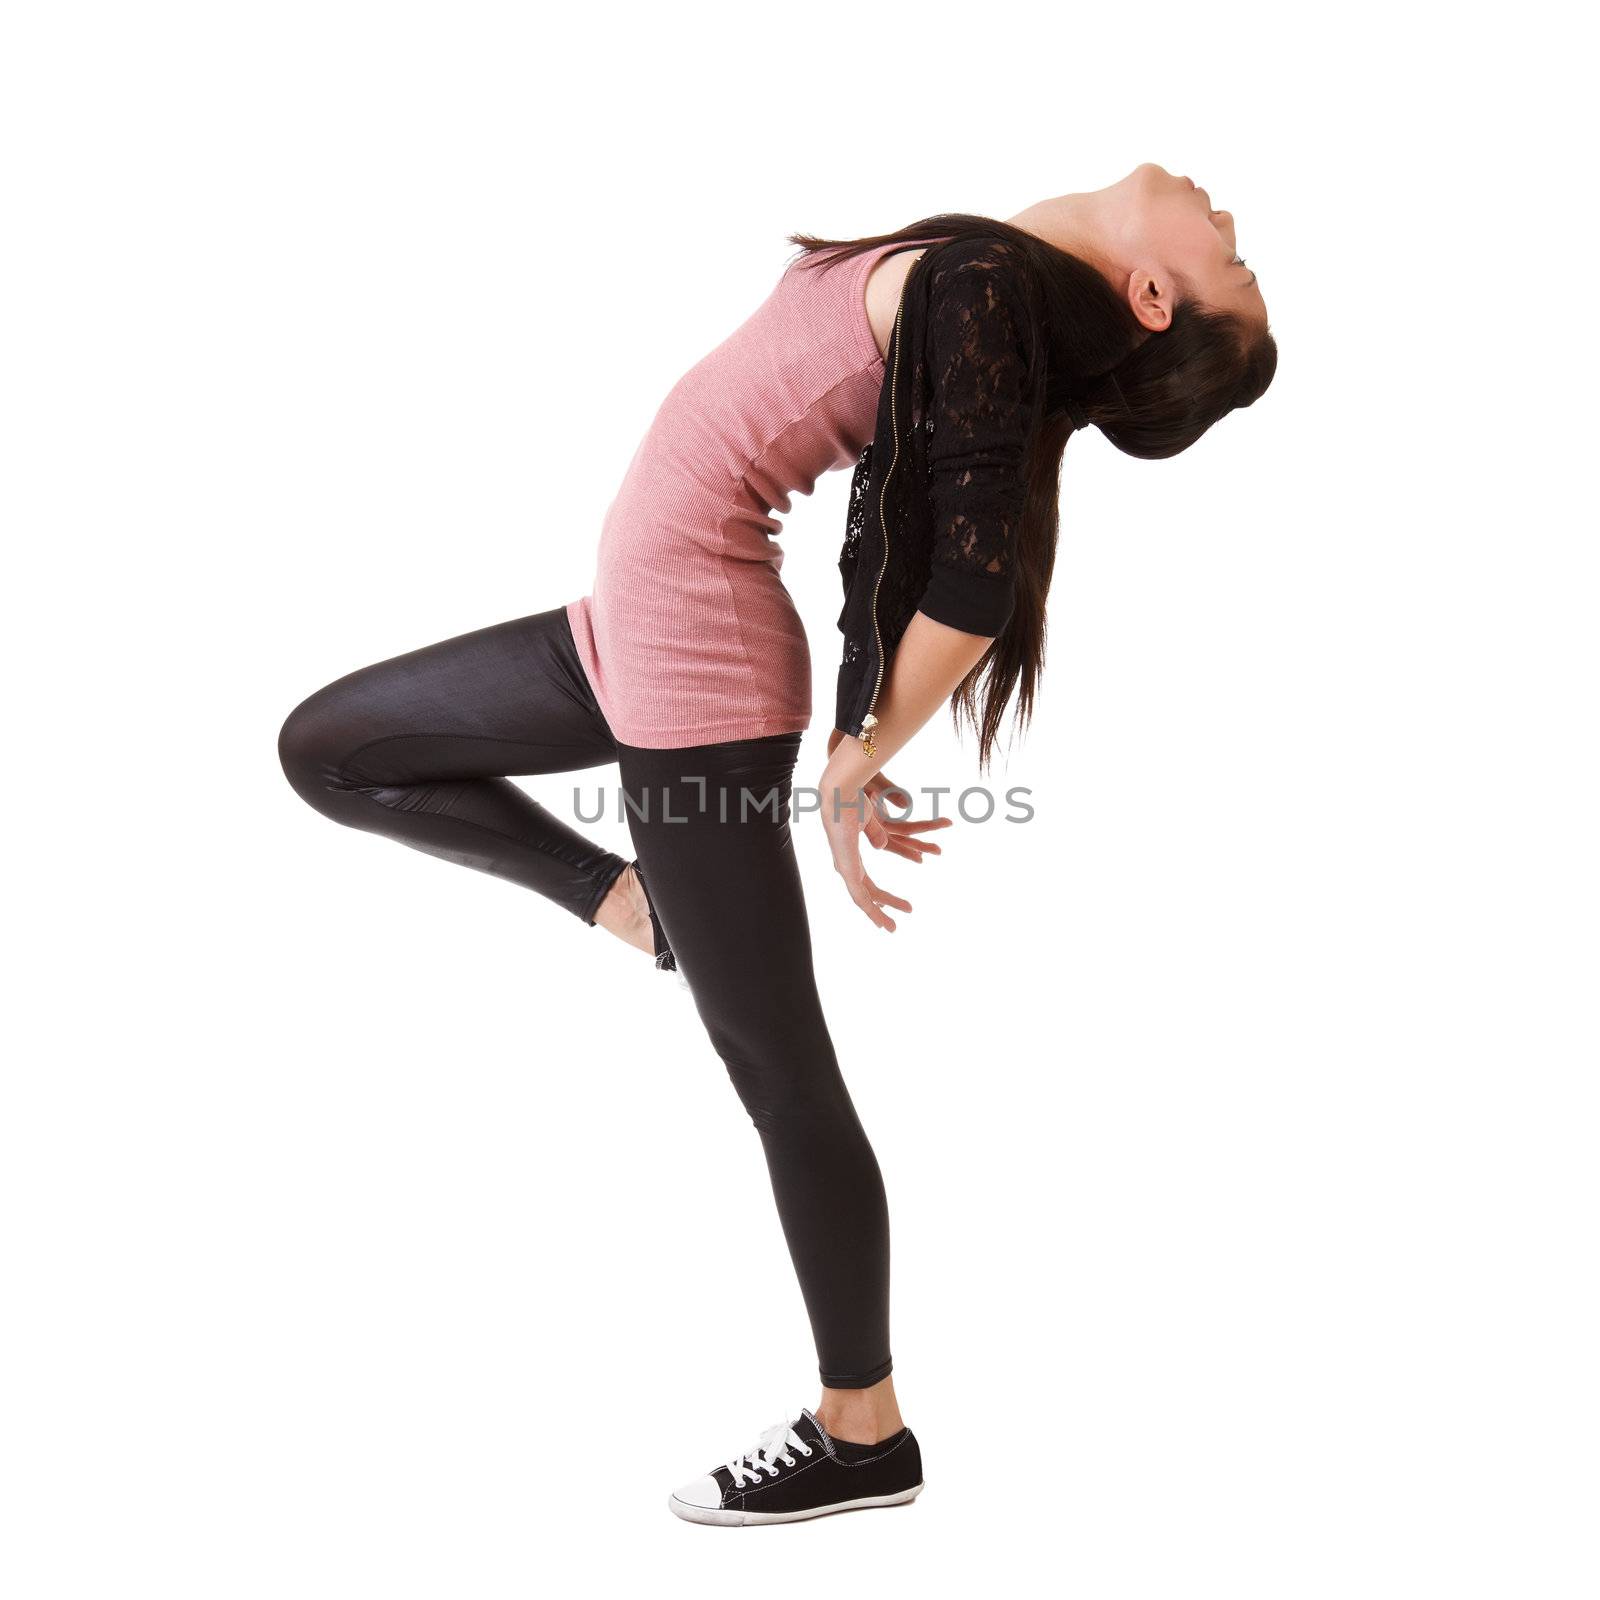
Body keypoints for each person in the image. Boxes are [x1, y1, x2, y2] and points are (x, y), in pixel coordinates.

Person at [277, 162, 1276, 1526]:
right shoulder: (980, 270)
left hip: (695, 671)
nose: (1230, 218)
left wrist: (860, 761)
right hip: (615, 635)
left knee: (780, 1073)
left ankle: (859, 1429)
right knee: (332, 748)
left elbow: (974, 580)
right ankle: (633, 905)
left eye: (1239, 259)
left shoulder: (977, 288)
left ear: (1152, 296)